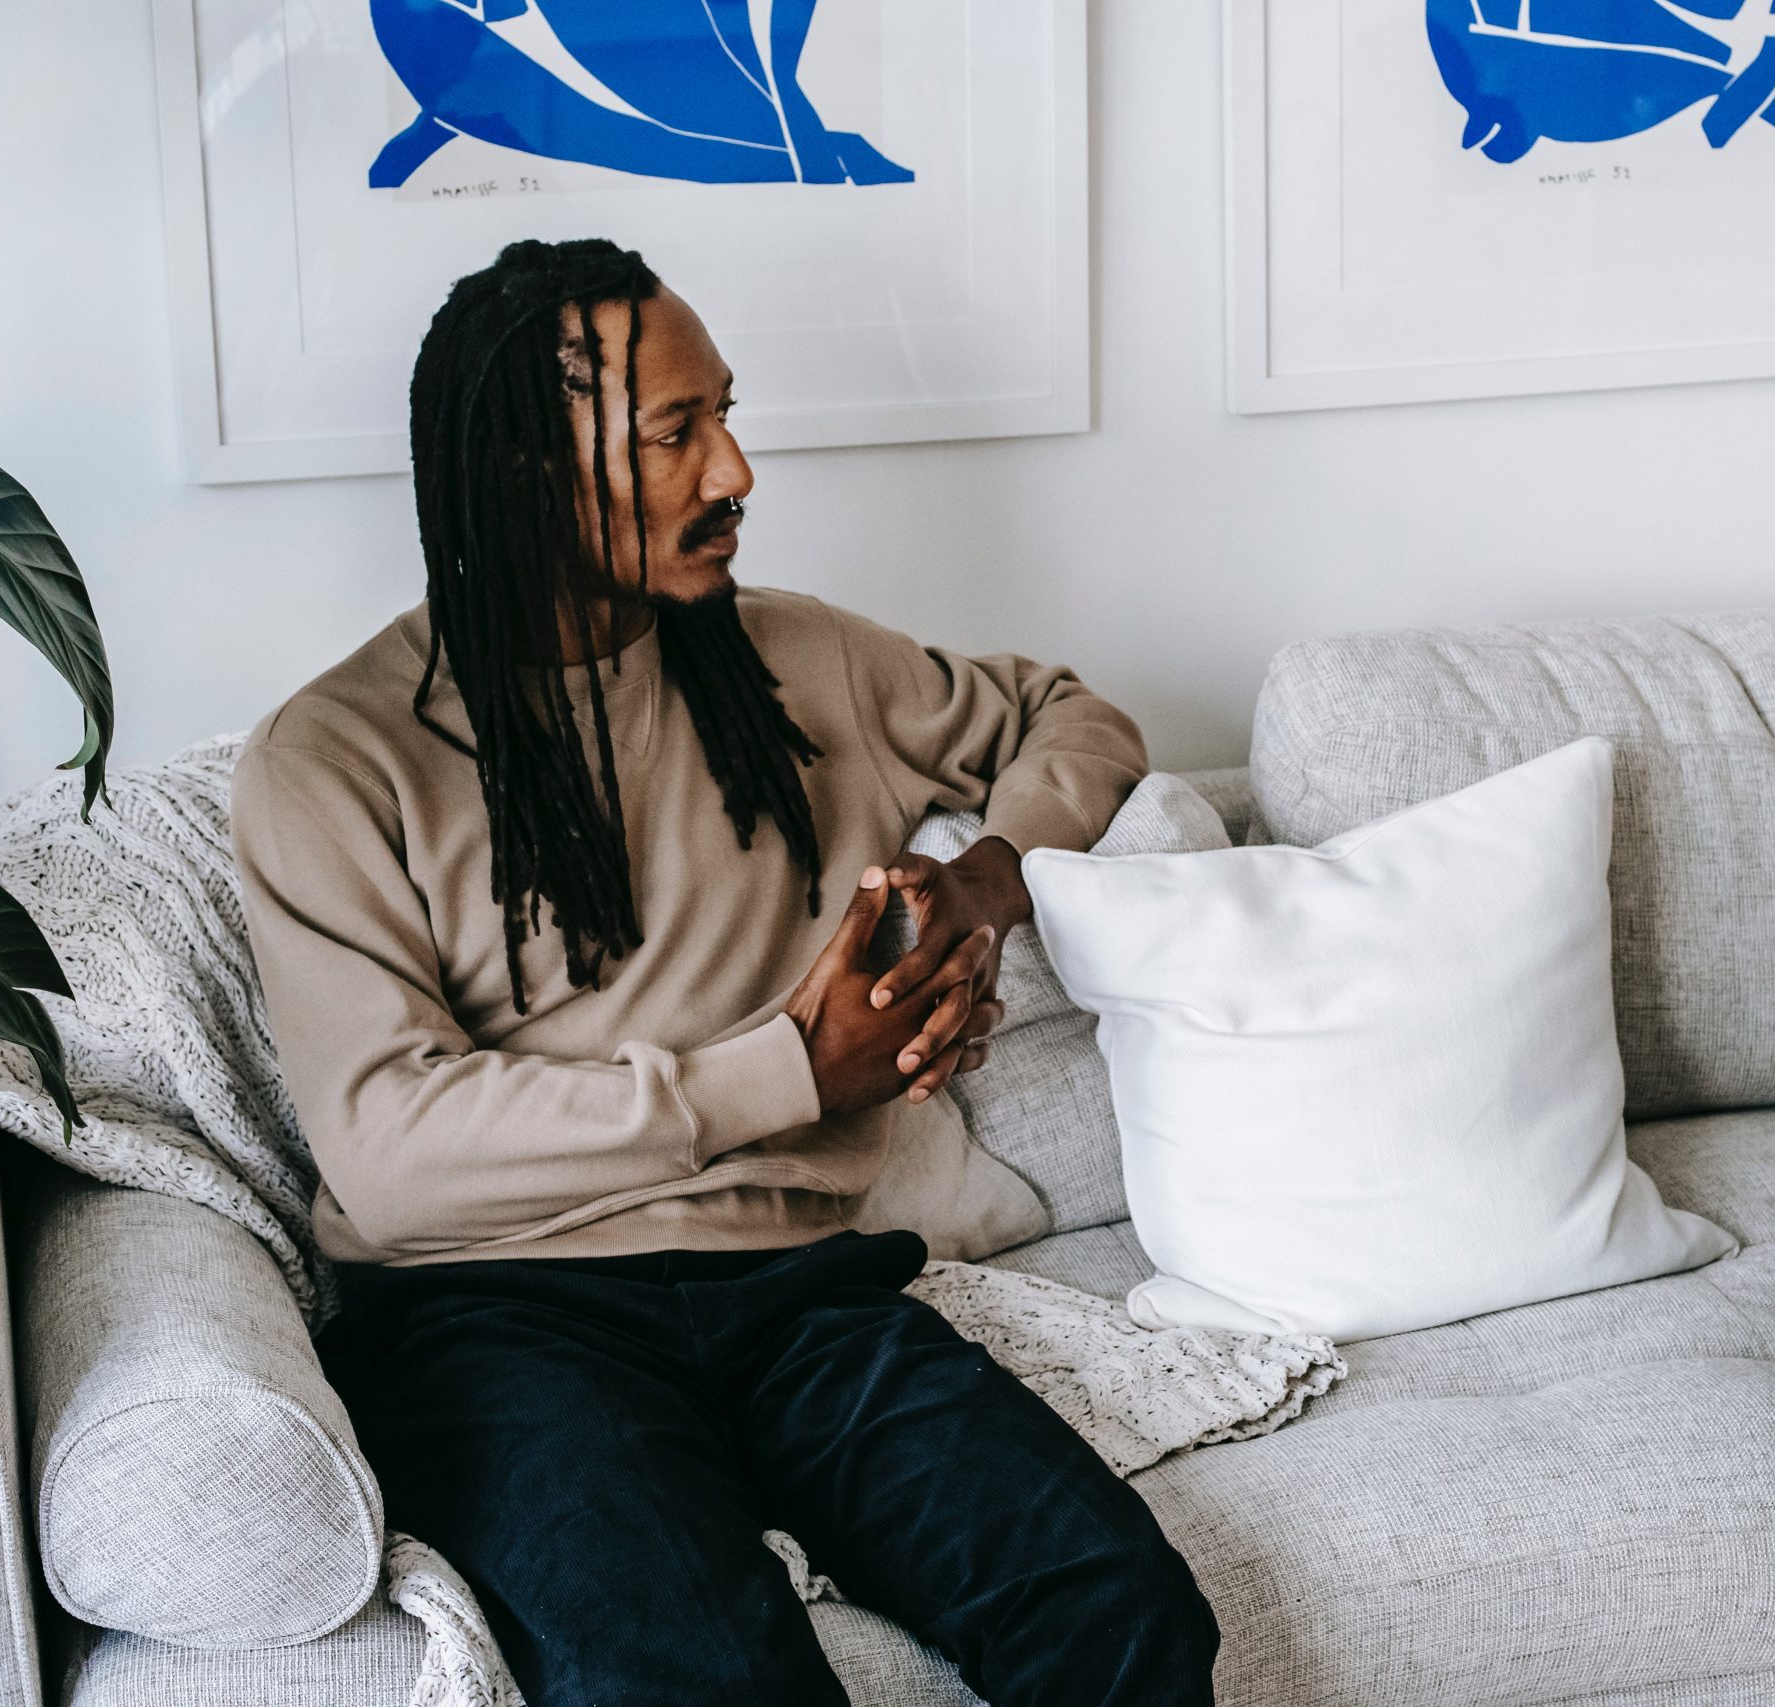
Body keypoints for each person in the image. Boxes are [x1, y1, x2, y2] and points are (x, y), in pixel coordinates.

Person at [230, 238, 1217, 1707]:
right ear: (524, 478)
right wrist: (792, 1073)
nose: (737, 470)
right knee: (699, 1680)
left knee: (1125, 1615)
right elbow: (389, 1159)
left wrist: (988, 880)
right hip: (497, 1323)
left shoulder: (799, 662)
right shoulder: (335, 761)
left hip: (797, 1293)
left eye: (725, 416)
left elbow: (1072, 721)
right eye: (676, 434)